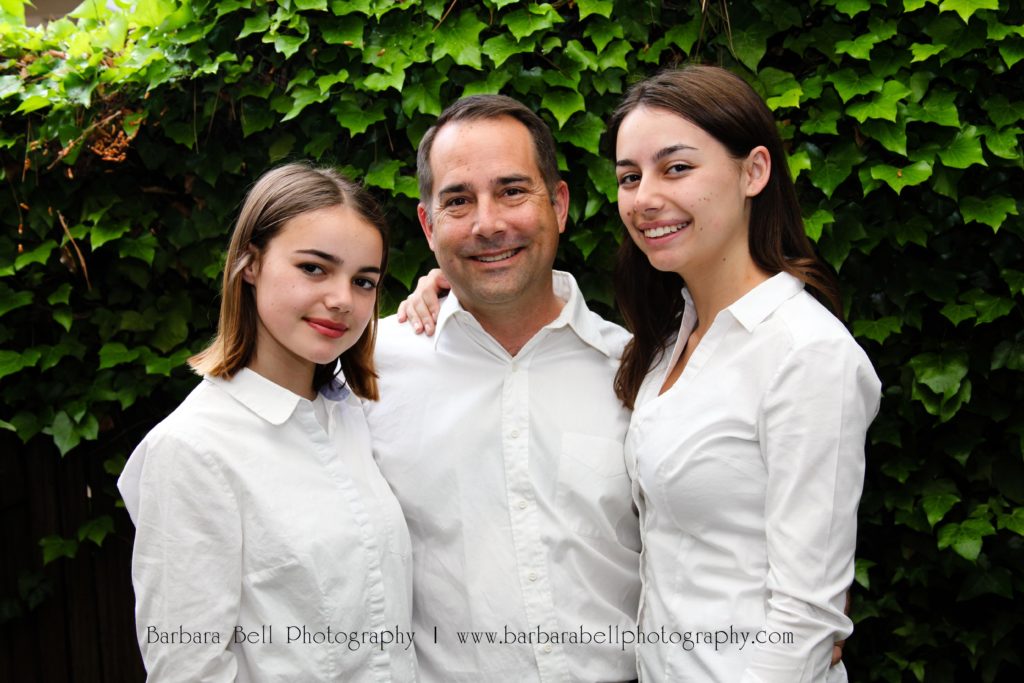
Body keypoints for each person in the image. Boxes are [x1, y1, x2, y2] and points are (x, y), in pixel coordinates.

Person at [610, 66, 880, 681]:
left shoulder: (805, 353)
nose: (645, 196)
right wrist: (444, 295)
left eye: (676, 167)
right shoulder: (666, 341)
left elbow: (806, 620)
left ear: (753, 171)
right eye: (630, 176)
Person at [361, 95, 641, 682]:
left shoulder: (640, 370)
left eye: (513, 191)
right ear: (428, 224)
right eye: (458, 200)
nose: (488, 224)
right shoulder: (367, 370)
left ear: (559, 204)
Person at [117, 163, 417, 682]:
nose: (343, 299)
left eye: (364, 280)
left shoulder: (349, 413)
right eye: (314, 268)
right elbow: (187, 668)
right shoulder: (192, 450)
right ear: (250, 262)